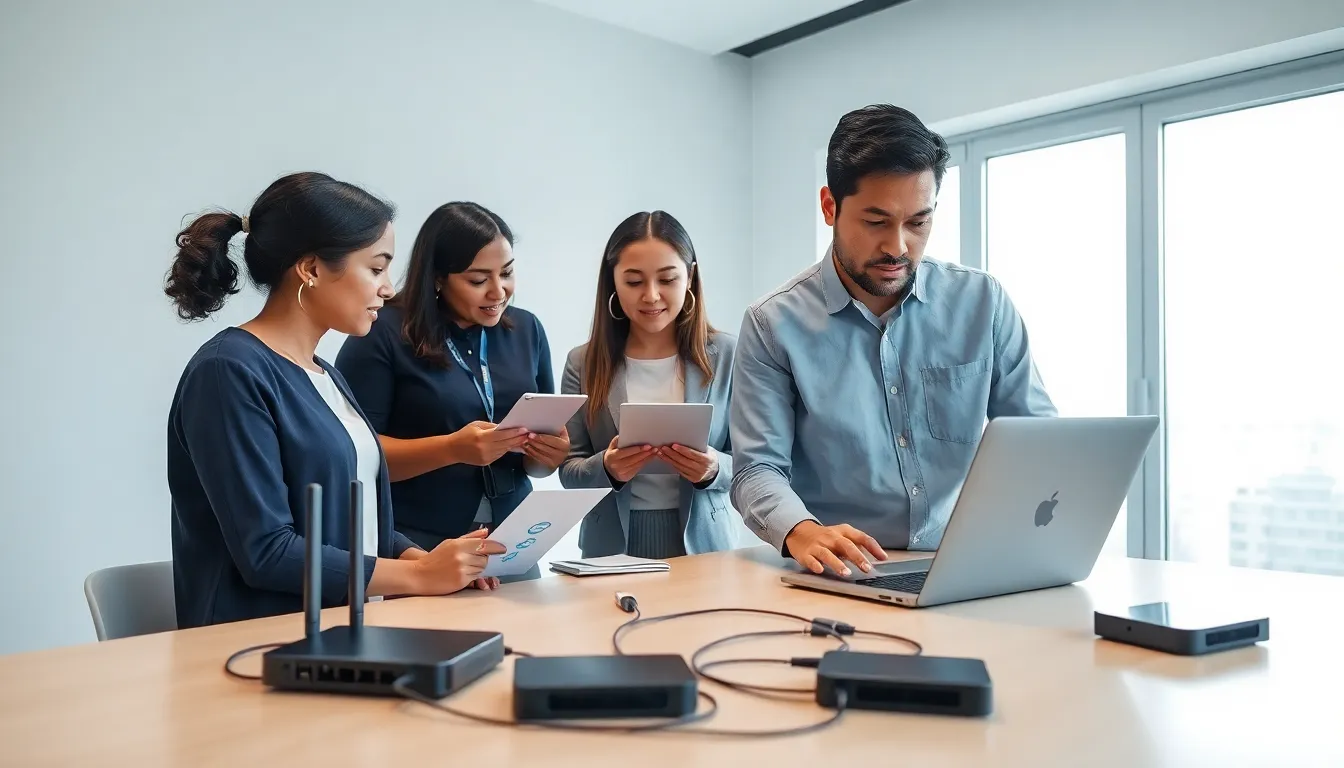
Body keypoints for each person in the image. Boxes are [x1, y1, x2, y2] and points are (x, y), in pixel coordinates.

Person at [165, 172, 506, 630]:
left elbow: (356, 522)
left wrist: (426, 559)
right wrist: (420, 574)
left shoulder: (325, 375)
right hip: (258, 645)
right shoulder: (228, 372)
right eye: (376, 267)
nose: (388, 288)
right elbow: (267, 552)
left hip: (345, 634)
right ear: (310, 269)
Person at [729, 104, 1056, 578]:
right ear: (829, 207)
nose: (898, 246)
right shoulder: (771, 324)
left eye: (918, 222)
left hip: (968, 566)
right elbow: (756, 469)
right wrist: (801, 530)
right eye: (876, 221)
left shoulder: (982, 303)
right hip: (844, 572)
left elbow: (1039, 440)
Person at [335, 202, 565, 581]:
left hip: (513, 540)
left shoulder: (527, 330)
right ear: (438, 278)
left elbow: (536, 463)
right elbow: (353, 455)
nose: (498, 291)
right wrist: (452, 449)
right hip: (417, 543)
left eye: (507, 273)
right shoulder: (382, 331)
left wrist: (548, 456)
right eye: (478, 280)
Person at [559, 211, 739, 559]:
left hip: (704, 547)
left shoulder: (728, 355)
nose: (651, 296)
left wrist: (714, 468)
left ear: (690, 277)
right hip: (609, 548)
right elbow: (569, 471)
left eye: (667, 279)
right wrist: (607, 468)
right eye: (634, 281)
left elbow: (756, 466)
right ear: (612, 282)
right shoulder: (582, 363)